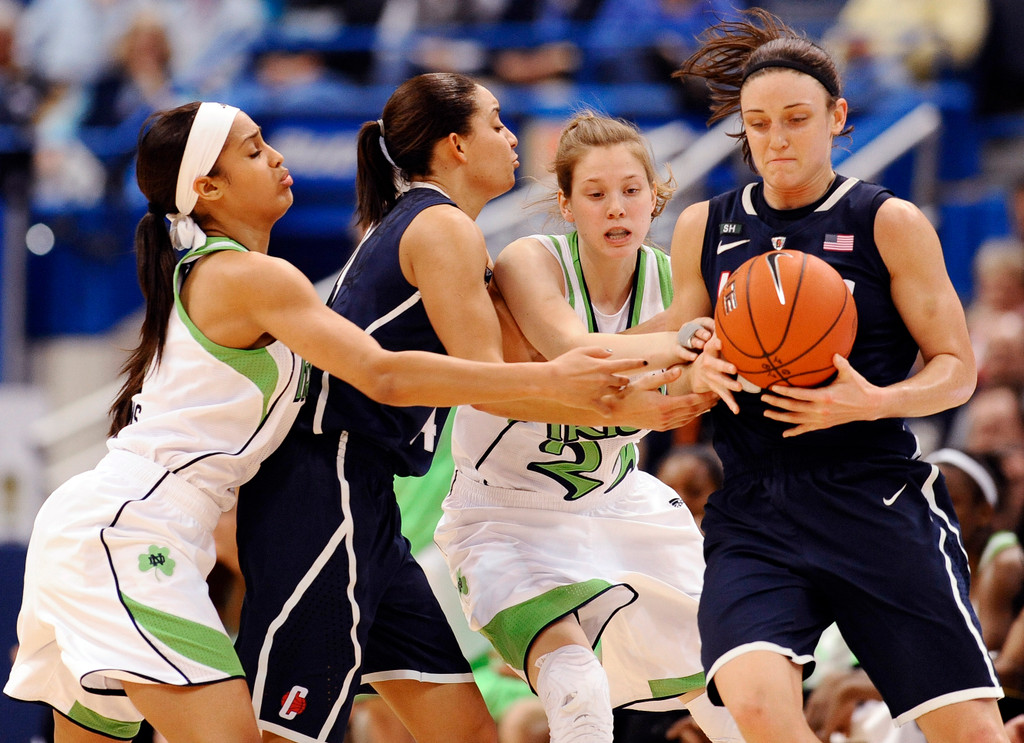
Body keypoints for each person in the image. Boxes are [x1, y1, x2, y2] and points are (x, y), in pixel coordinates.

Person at [2, 99, 651, 742]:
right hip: (132, 530)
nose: (276, 156)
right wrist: (552, 379)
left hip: (148, 525)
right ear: (208, 188)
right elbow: (384, 373)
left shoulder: (238, 275)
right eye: (253, 150)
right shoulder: (249, 277)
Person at [232, 72, 708, 743]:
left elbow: (505, 371)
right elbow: (491, 384)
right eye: (496, 122)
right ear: (457, 145)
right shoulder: (442, 226)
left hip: (369, 496)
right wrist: (615, 395)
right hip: (323, 484)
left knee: (468, 732)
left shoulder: (440, 225)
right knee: (289, 731)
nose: (512, 138)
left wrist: (609, 387)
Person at [666, 7, 1007, 743]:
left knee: (973, 733)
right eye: (758, 124)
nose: (776, 139)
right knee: (758, 708)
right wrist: (695, 363)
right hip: (753, 503)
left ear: (837, 117)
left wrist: (873, 400)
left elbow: (957, 369)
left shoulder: (889, 221)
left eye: (796, 119)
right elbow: (676, 362)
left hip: (870, 495)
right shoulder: (704, 226)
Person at [434, 111, 740, 743]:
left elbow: (681, 386)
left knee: (730, 683)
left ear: (655, 198)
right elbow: (576, 354)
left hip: (619, 502)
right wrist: (683, 341)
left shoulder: (672, 282)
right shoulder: (529, 260)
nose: (616, 207)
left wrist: (707, 372)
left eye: (631, 190)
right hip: (506, 511)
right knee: (578, 688)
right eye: (595, 194)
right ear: (566, 206)